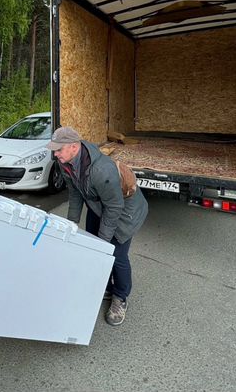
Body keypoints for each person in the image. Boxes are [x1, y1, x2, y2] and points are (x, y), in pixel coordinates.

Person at [47, 126, 148, 326]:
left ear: (74, 147)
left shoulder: (101, 170)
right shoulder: (65, 163)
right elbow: (75, 193)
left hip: (124, 211)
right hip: (99, 206)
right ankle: (108, 287)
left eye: (59, 149)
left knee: (115, 254)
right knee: (95, 247)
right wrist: (71, 223)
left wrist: (104, 240)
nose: (55, 153)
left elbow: (115, 206)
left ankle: (120, 296)